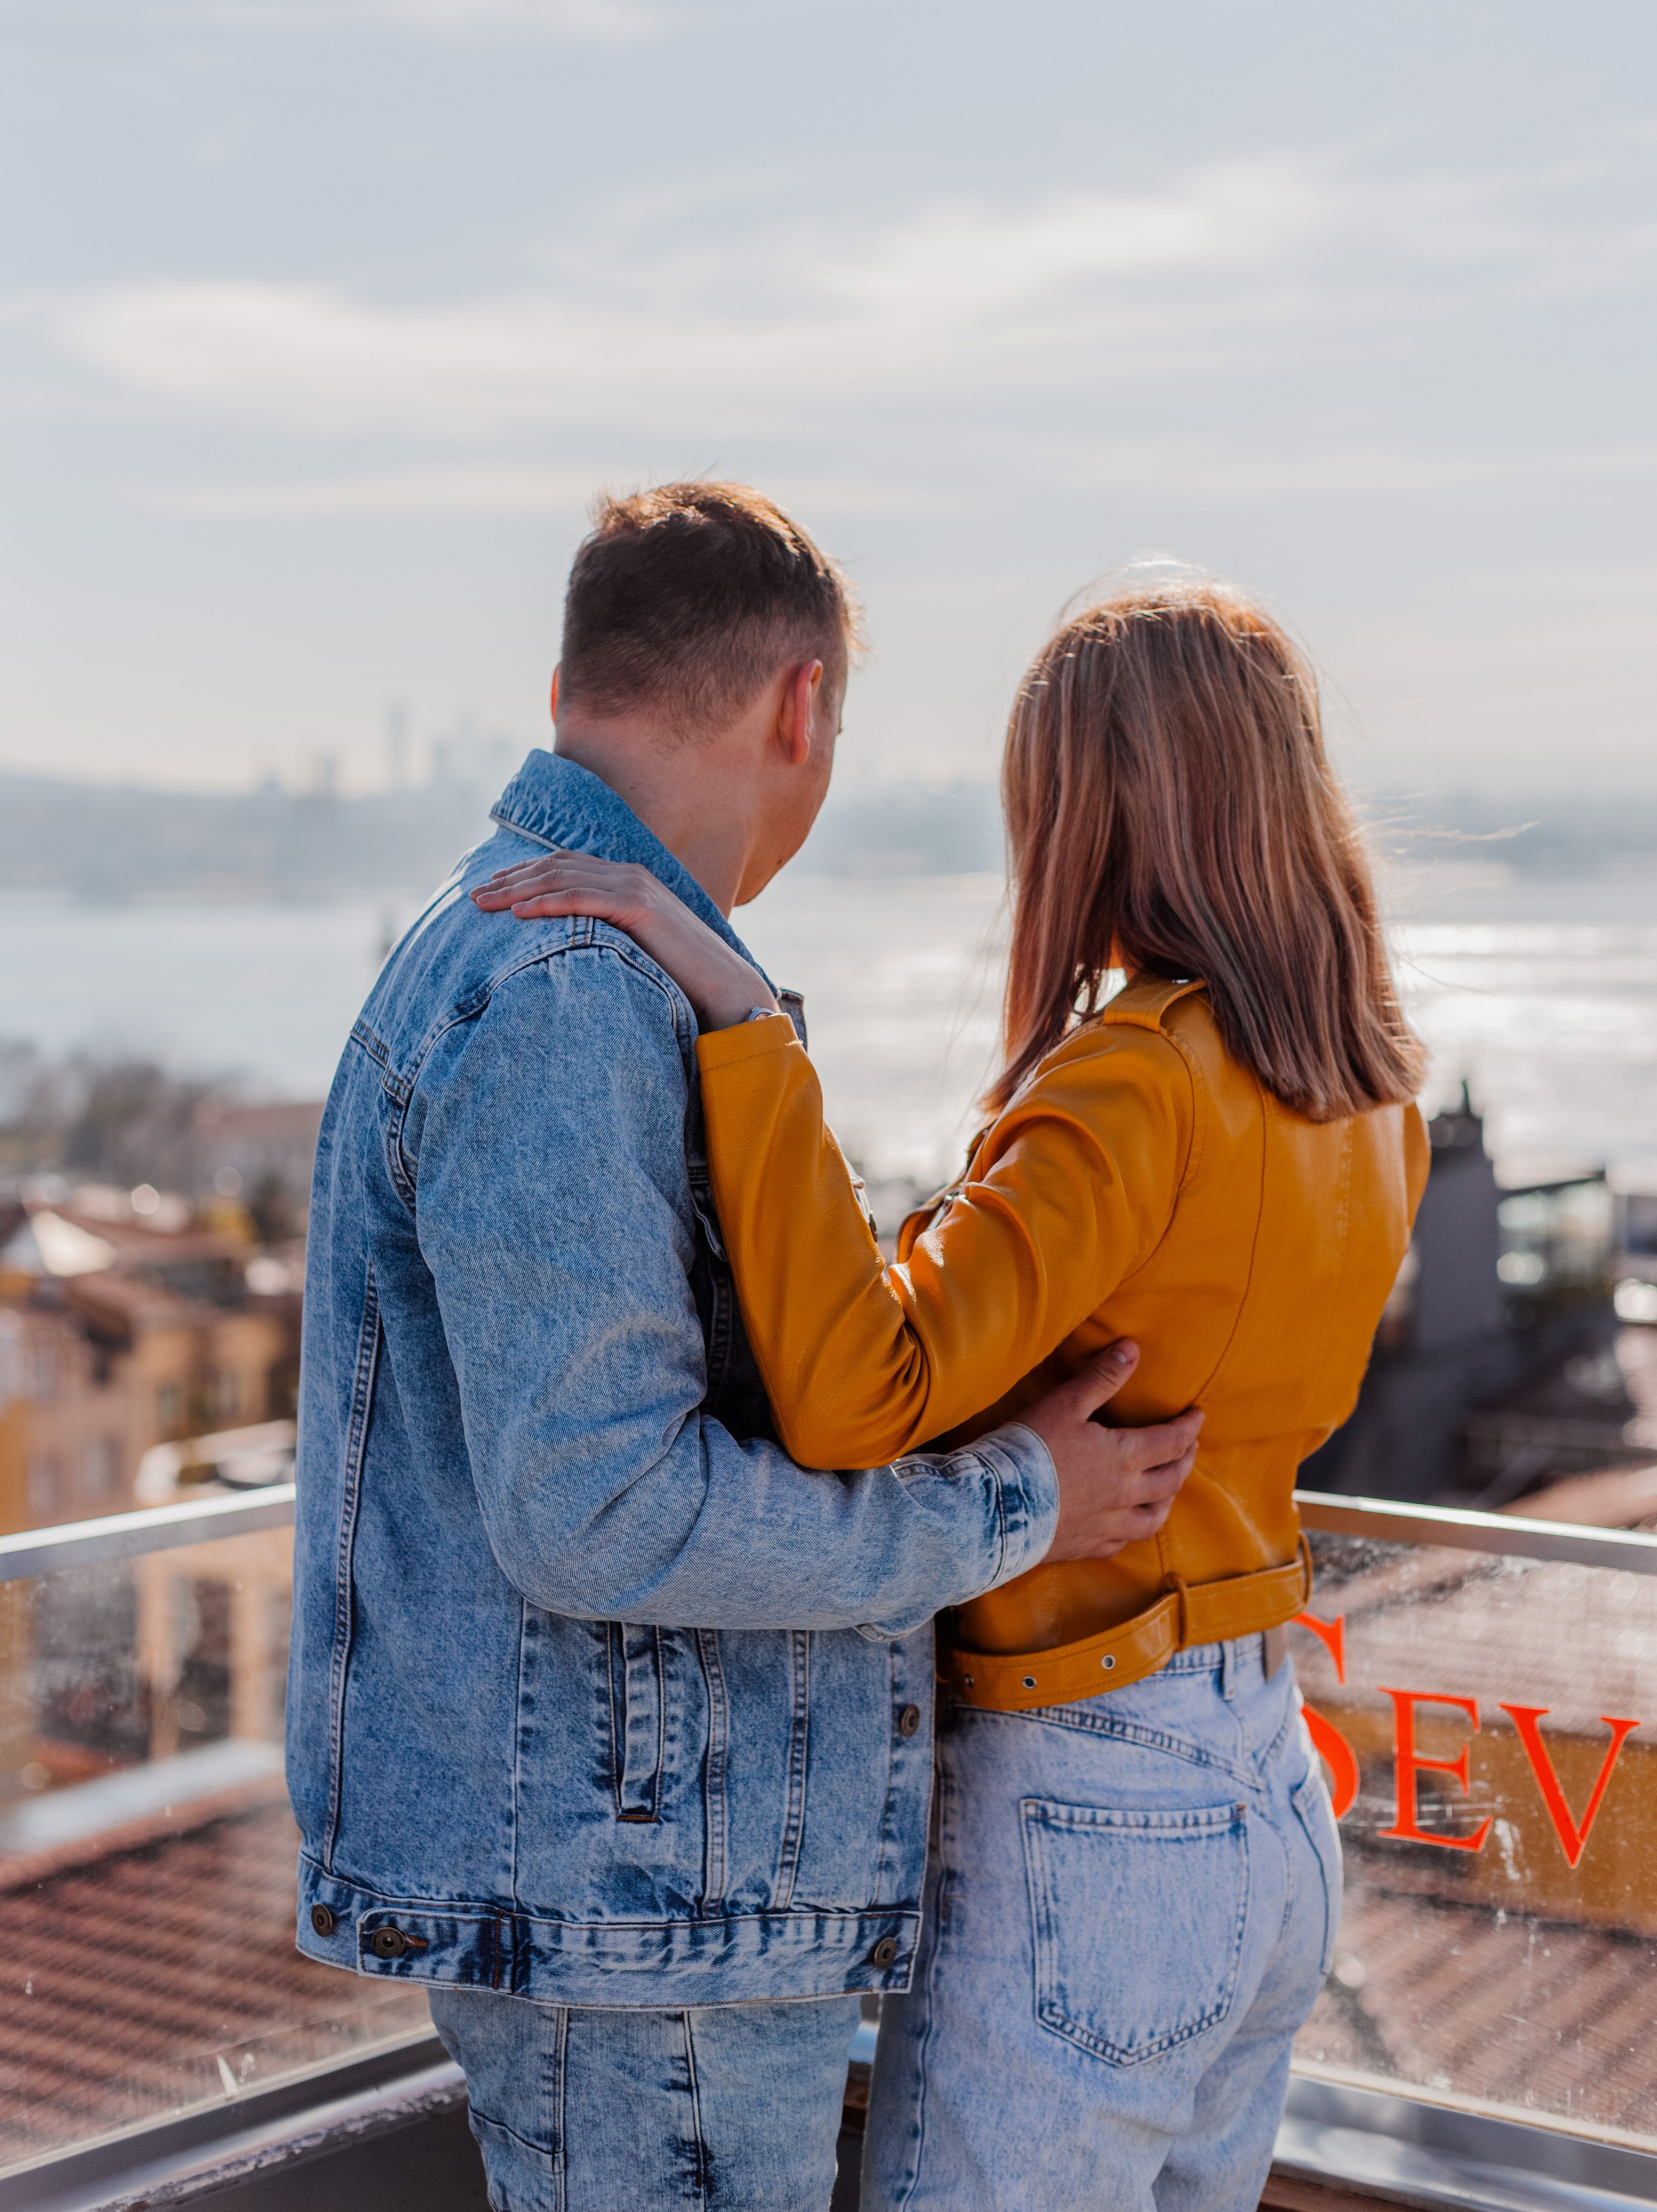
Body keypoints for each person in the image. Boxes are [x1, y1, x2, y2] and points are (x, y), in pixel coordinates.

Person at [288, 483, 1201, 2212]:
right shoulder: (568, 994)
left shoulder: (568, 955)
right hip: (644, 1928)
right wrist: (1022, 1503)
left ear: (580, 686)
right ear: (800, 706)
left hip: (632, 1908)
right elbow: (602, 1514)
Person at [476, 575, 1431, 2212]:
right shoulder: (1364, 1094)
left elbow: (861, 1393)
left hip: (1093, 1802)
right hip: (1266, 1787)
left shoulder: (1130, 1084)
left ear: (1079, 809)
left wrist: (743, 1022)